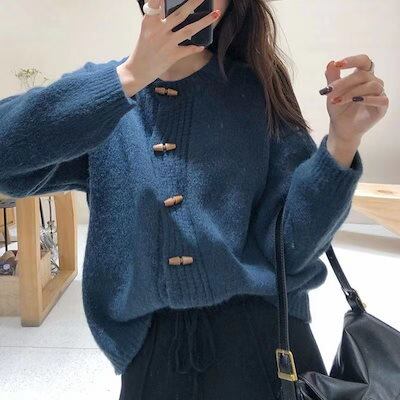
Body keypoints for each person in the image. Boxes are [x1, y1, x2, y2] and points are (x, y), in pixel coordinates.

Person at [0, 0, 388, 398]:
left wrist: (342, 143)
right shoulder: (104, 94)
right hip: (150, 354)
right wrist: (129, 77)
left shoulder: (257, 88)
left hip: (265, 343)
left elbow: (293, 247)